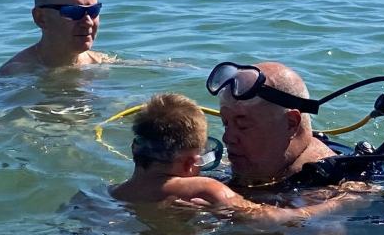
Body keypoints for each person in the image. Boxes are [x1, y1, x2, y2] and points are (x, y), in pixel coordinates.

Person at [110, 93, 352, 222]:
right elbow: (272, 219)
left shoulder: (111, 193)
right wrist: (341, 203)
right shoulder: (205, 188)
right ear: (189, 162)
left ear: (134, 148)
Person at [210, 61, 341, 189]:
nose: (227, 138)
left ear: (291, 124)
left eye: (243, 125)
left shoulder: (336, 189)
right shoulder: (267, 164)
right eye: (225, 123)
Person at [0, 0, 112, 75]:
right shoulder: (16, 74)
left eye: (93, 10)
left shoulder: (100, 62)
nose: (88, 22)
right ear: (41, 18)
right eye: (74, 11)